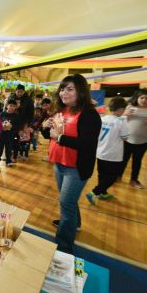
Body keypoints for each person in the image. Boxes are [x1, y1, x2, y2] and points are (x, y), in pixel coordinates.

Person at [41, 74, 101, 254]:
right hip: (60, 163)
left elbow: (86, 144)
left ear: (80, 91)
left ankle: (63, 247)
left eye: (70, 89)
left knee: (66, 204)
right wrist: (45, 126)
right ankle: (76, 223)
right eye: (62, 88)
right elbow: (49, 136)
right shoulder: (62, 111)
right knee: (68, 201)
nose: (63, 93)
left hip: (75, 168)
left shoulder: (89, 114)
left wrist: (59, 137)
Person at [86, 97, 129, 204]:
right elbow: (125, 137)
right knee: (112, 177)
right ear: (121, 109)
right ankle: (94, 192)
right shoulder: (121, 121)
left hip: (100, 152)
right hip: (113, 154)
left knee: (102, 174)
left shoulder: (103, 119)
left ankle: (103, 193)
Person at [0, 99, 21, 167]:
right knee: (0, 148)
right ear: (7, 106)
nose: (11, 107)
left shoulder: (16, 116)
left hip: (10, 135)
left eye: (13, 106)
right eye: (10, 105)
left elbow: (17, 127)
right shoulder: (2, 113)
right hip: (1, 135)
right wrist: (2, 126)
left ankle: (8, 161)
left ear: (15, 107)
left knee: (9, 149)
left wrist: (11, 127)